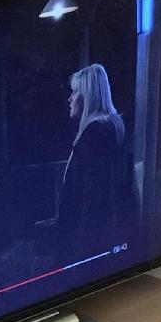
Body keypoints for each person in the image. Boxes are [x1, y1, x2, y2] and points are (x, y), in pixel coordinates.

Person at [53, 63, 136, 266]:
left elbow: (94, 197)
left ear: (88, 96)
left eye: (75, 92)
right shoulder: (107, 130)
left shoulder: (95, 135)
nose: (70, 99)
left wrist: (79, 251)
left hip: (85, 248)